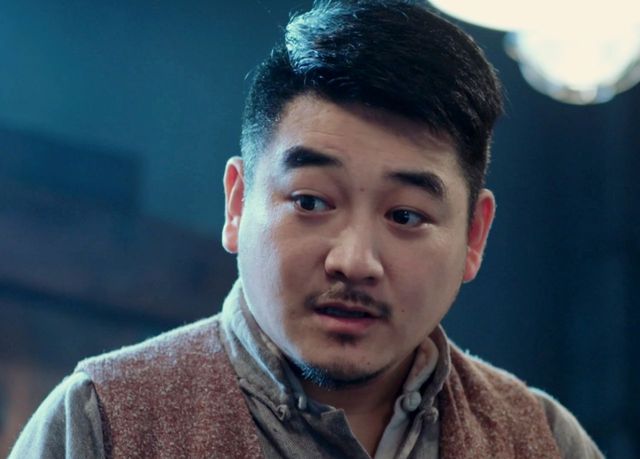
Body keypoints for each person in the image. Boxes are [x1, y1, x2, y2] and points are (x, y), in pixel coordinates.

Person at [10, 1, 604, 458]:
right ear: (238, 203)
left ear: (474, 237)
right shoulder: (99, 423)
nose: (355, 260)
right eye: (311, 201)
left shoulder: (545, 440)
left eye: (405, 215)